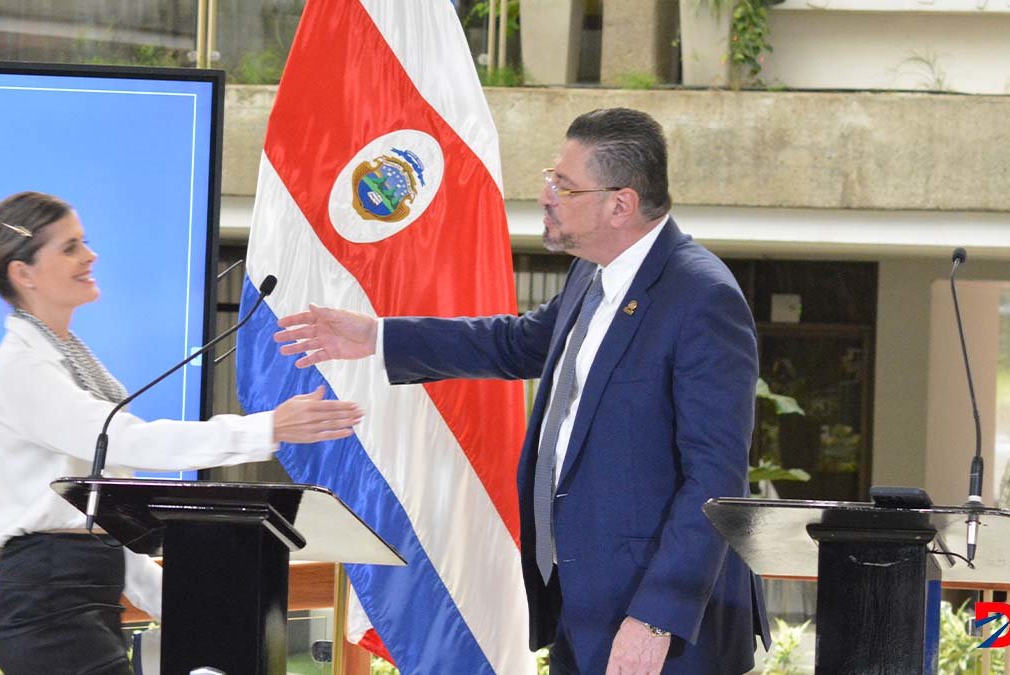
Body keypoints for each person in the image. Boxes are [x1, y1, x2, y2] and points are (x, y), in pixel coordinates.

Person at [273, 108, 770, 674]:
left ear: (621, 204)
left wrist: (656, 617)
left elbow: (715, 478)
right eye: (549, 176)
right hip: (580, 608)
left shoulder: (702, 299)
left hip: (664, 625)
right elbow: (515, 343)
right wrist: (378, 336)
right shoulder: (593, 272)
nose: (545, 194)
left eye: (564, 184)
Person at [0, 191, 363, 675]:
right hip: (47, 608)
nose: (90, 256)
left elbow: (99, 517)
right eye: (69, 248)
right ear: (23, 274)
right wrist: (268, 427)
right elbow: (129, 440)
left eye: (84, 242)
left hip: (84, 596)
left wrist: (189, 607)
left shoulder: (66, 353)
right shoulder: (22, 369)